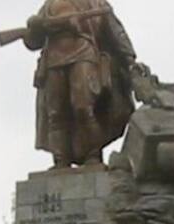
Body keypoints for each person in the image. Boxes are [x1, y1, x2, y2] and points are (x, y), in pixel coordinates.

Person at [23, 0, 137, 170]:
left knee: (83, 106)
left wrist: (129, 60)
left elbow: (115, 32)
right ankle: (61, 160)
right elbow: (33, 41)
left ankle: (92, 155)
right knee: (55, 113)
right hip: (53, 60)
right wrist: (35, 26)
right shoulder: (49, 5)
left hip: (84, 54)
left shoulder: (96, 3)